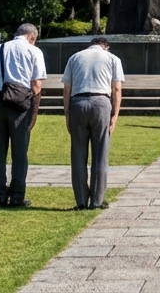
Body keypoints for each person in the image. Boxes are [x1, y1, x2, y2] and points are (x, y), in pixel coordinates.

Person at [0, 22, 47, 207]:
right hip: (20, 103)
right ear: (32, 36)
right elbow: (36, 85)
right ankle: (17, 196)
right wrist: (33, 113)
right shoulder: (34, 51)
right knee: (20, 152)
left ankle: (0, 196)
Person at [62, 37, 124, 210]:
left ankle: (81, 201)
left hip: (78, 103)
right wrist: (115, 115)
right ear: (106, 46)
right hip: (101, 103)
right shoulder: (112, 59)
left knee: (78, 155)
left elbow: (67, 89)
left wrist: (67, 114)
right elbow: (116, 89)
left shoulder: (75, 57)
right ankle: (96, 201)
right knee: (100, 155)